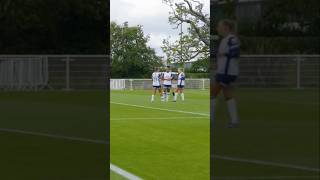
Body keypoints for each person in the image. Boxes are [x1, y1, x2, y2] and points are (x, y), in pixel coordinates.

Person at [212, 19, 240, 128]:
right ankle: (234, 121)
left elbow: (235, 52)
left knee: (213, 93)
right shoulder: (224, 40)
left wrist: (223, 53)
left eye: (219, 26)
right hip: (223, 72)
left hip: (227, 73)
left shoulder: (232, 39)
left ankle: (210, 121)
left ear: (226, 27)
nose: (217, 28)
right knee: (228, 95)